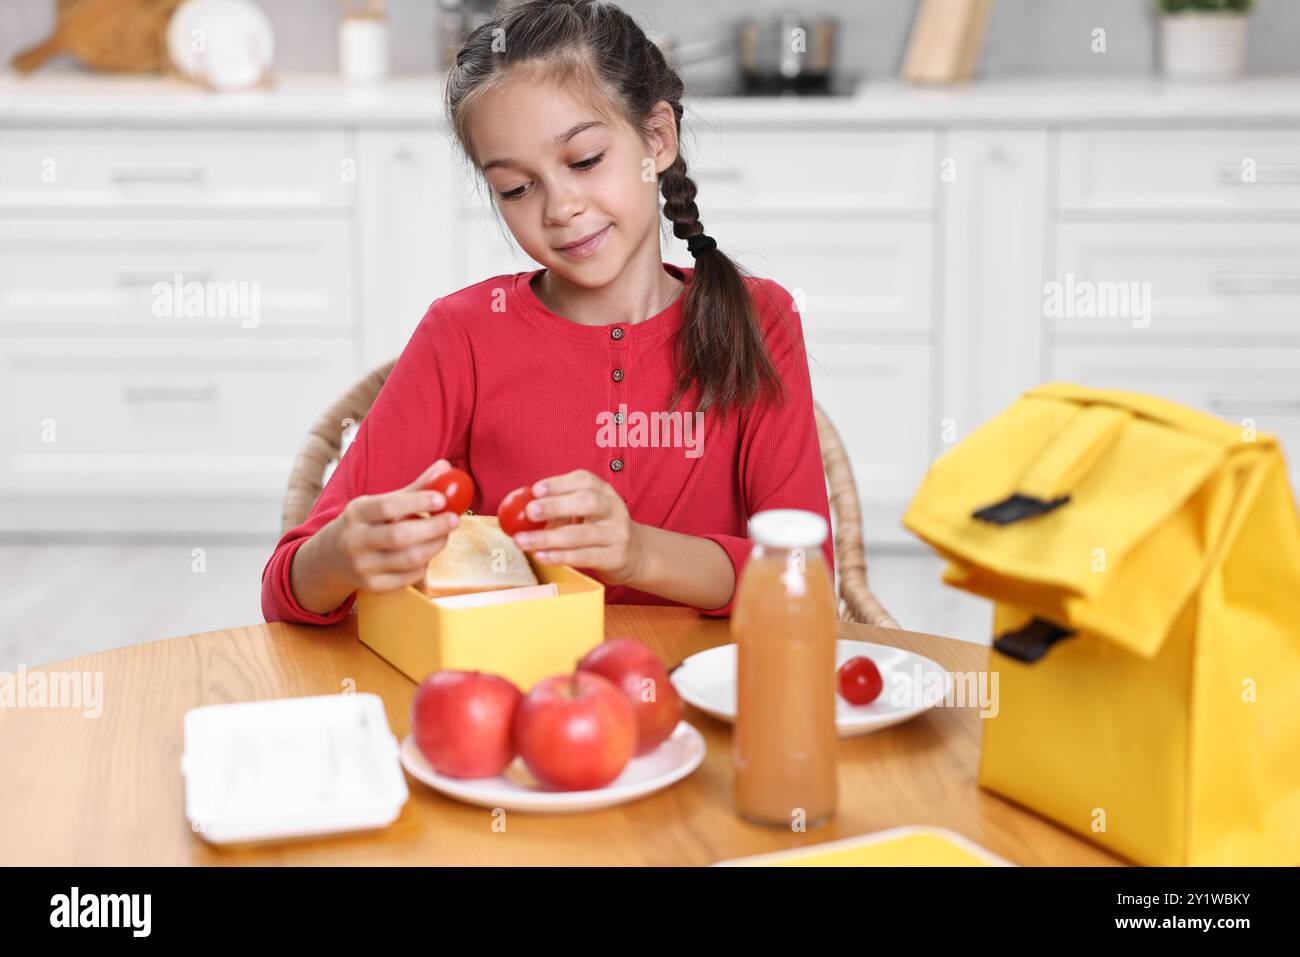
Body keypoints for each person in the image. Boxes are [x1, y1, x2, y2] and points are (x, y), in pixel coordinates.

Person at [261, 0, 834, 625]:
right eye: (516, 188)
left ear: (657, 138)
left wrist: (639, 552)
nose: (559, 207)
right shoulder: (463, 335)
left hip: (711, 700)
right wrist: (341, 557)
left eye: (585, 160)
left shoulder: (760, 318)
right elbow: (286, 589)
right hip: (515, 699)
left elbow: (805, 578)